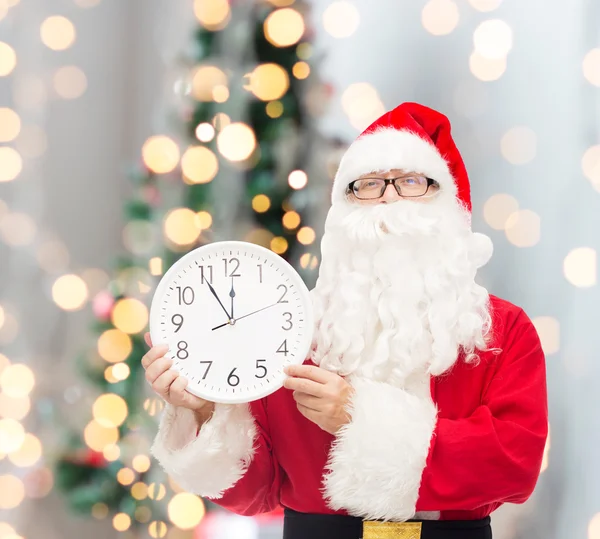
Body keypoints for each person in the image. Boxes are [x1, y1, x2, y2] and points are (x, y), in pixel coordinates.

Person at [143, 102, 548, 539]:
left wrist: (358, 416)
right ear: (343, 211)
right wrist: (204, 411)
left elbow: (515, 464)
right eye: (368, 185)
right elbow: (256, 492)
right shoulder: (291, 328)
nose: (389, 196)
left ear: (447, 203)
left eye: (411, 181)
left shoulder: (503, 330)